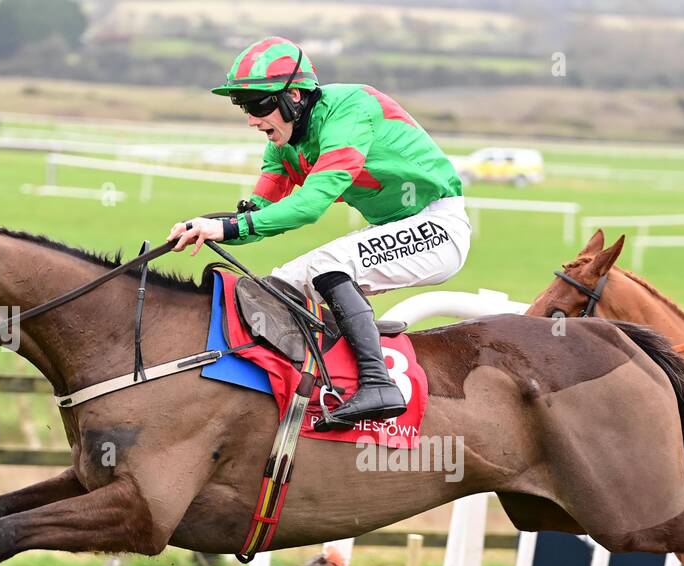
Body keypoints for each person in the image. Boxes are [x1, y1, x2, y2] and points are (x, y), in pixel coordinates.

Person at [167, 37, 471, 428]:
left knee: (327, 265)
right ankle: (314, 385)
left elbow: (310, 205)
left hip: (438, 228)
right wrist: (204, 227)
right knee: (280, 284)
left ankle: (379, 385)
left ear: (294, 95)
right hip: (395, 229)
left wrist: (226, 228)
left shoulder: (351, 109)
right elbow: (259, 213)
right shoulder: (282, 143)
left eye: (259, 105)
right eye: (243, 107)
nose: (251, 120)